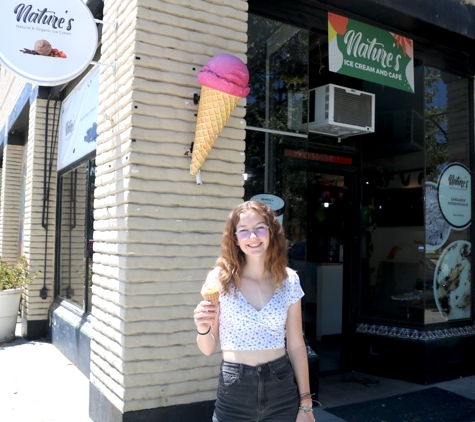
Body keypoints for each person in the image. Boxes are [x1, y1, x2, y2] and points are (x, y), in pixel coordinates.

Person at [193, 201, 314, 422]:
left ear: (271, 232)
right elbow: (208, 347)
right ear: (235, 239)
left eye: (260, 227)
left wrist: (306, 404)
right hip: (235, 390)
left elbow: (296, 345)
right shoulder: (220, 279)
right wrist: (202, 329)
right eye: (243, 230)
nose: (253, 236)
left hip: (281, 387)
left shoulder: (288, 280)